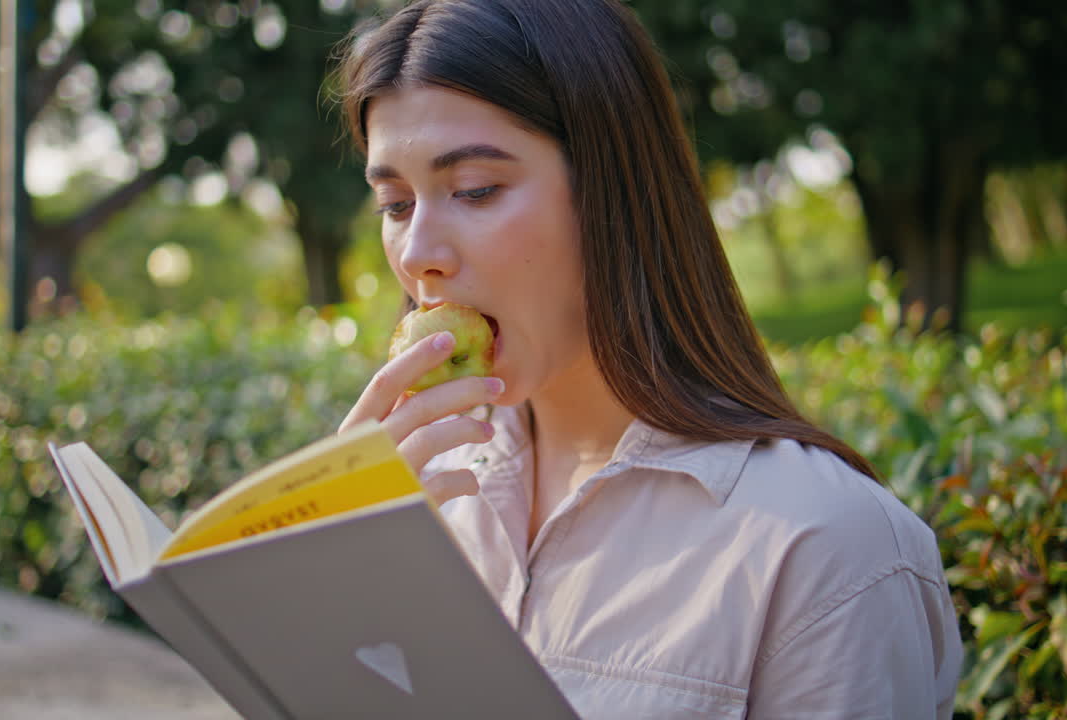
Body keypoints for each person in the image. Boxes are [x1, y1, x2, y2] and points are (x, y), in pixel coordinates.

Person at [333, 0, 964, 717]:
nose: (418, 255)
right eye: (394, 204)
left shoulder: (825, 550)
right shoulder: (421, 501)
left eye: (475, 190)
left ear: (612, 190)